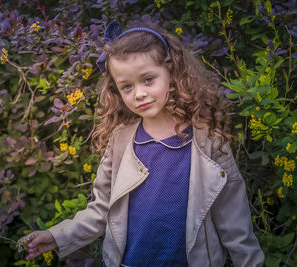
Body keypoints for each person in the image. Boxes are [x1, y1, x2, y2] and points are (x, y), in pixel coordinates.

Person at [17, 20, 265, 267]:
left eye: (148, 79)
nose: (138, 94)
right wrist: (56, 236)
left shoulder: (210, 142)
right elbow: (101, 211)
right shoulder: (120, 142)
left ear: (172, 72)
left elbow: (236, 227)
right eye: (127, 86)